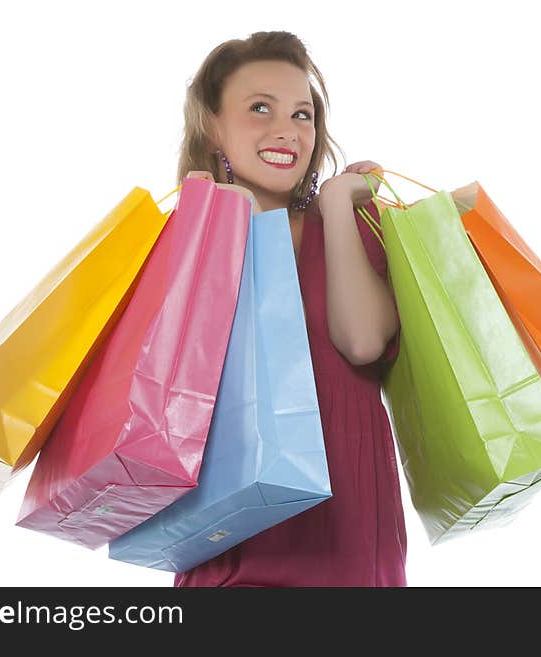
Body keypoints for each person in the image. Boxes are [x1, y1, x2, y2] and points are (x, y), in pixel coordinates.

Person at [175, 31, 406, 587]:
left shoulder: (350, 227)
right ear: (212, 126)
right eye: (260, 108)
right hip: (231, 548)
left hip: (351, 546)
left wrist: (336, 208)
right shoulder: (187, 242)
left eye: (303, 114)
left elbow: (363, 342)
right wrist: (224, 220)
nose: (286, 130)